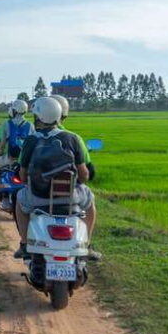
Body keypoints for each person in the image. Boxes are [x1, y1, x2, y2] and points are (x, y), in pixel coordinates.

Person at [14, 97, 97, 259]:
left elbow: (22, 176)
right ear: (59, 115)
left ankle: (24, 244)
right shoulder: (72, 138)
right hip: (70, 198)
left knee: (19, 199)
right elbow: (85, 174)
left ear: (38, 117)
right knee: (90, 202)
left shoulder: (31, 140)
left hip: (37, 198)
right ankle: (88, 245)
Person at [0, 100, 33, 206]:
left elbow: (0, 142)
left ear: (14, 110)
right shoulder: (30, 126)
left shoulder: (7, 124)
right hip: (25, 160)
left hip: (9, 159)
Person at [49, 94, 95, 180]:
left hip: (35, 190)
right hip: (69, 190)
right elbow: (88, 172)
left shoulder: (31, 138)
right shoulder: (74, 138)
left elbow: (22, 171)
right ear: (64, 115)